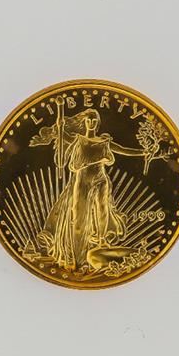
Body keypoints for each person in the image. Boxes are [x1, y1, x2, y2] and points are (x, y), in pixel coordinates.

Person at [30, 108, 145, 270]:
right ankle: (78, 255)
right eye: (88, 120)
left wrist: (144, 152)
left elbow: (123, 150)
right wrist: (59, 127)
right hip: (82, 181)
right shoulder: (78, 140)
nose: (91, 123)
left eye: (94, 121)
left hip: (101, 179)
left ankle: (101, 241)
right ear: (84, 122)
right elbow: (63, 136)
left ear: (98, 123)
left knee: (103, 210)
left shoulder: (104, 142)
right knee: (79, 216)